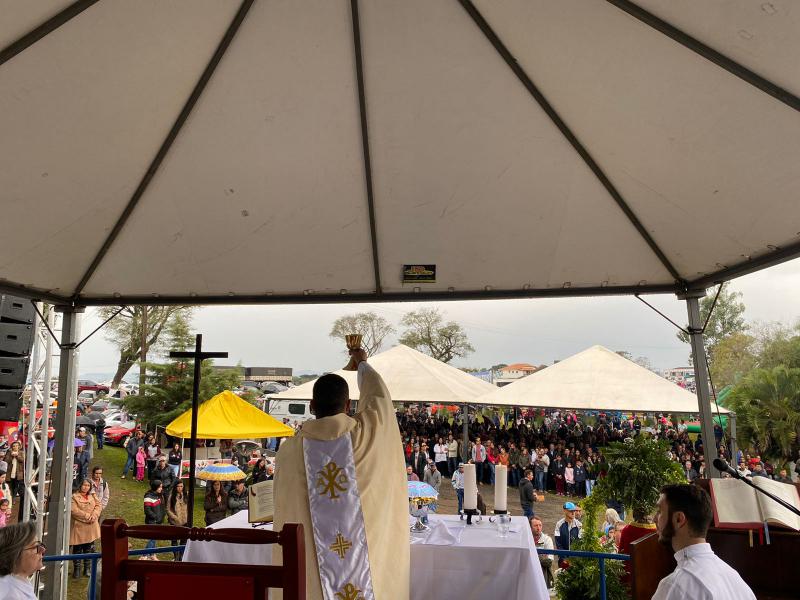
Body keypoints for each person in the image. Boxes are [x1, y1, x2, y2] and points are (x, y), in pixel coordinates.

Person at [273, 348, 409, 600]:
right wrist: (362, 364)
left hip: (313, 573)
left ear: (312, 406)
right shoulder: (368, 434)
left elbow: (284, 507)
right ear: (347, 405)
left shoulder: (290, 451)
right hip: (364, 567)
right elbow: (379, 397)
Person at [652, 484, 756, 599]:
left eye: (660, 511)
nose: (654, 519)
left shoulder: (675, 587)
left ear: (679, 519)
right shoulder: (734, 578)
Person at [0, 521, 44, 599]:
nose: (42, 550)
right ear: (15, 554)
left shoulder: (16, 583)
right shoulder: (11, 595)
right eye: (35, 547)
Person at [70, 479, 101, 578]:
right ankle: (77, 570)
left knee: (88, 548)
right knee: (77, 549)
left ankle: (87, 569)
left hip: (91, 526)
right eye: (84, 485)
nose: (86, 487)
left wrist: (94, 515)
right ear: (80, 485)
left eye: (88, 485)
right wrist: (87, 516)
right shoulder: (74, 496)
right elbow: (74, 511)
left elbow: (98, 506)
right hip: (79, 526)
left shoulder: (93, 496)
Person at [554, 502, 582, 567]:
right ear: (564, 511)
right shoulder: (559, 524)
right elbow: (558, 543)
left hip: (576, 560)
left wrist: (574, 559)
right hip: (563, 560)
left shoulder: (579, 525)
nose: (573, 513)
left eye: (574, 511)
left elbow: (580, 543)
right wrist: (564, 558)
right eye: (570, 511)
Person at [530, 516, 554, 589]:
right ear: (530, 527)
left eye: (540, 525)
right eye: (535, 525)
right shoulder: (526, 538)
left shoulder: (547, 539)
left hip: (543, 573)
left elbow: (548, 562)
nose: (538, 528)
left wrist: (533, 555)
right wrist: (541, 556)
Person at [166, 481, 188, 560]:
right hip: (175, 522)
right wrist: (175, 518)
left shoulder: (186, 495)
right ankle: (176, 556)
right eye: (178, 486)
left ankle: (181, 556)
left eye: (181, 486)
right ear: (175, 487)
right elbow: (168, 510)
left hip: (185, 522)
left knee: (184, 540)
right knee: (174, 540)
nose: (180, 488)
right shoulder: (171, 496)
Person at [143, 480, 165, 549]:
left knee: (154, 538)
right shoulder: (148, 496)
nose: (161, 488)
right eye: (160, 487)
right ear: (156, 487)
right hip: (152, 521)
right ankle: (144, 555)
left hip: (158, 521)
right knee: (152, 539)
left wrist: (161, 517)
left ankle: (152, 554)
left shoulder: (159, 495)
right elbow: (147, 510)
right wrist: (156, 518)